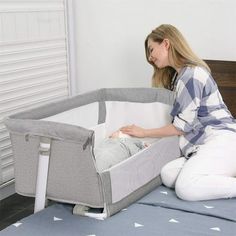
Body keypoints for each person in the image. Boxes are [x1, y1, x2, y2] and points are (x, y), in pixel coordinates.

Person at [120, 24, 236, 201]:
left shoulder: (191, 76)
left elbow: (181, 127)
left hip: (221, 139)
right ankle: (222, 172)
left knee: (185, 187)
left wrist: (143, 133)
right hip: (203, 145)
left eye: (151, 50)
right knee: (167, 174)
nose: (150, 58)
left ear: (166, 44)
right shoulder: (180, 77)